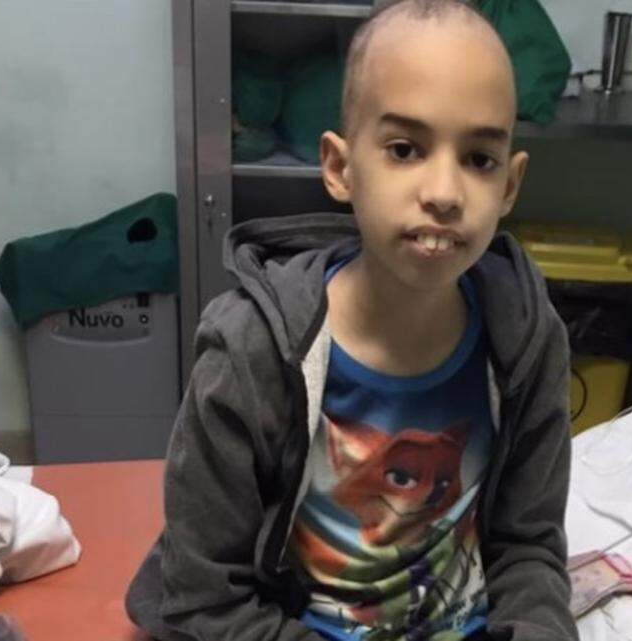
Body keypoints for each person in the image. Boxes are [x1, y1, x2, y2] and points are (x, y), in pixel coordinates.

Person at [125, 1, 577, 640]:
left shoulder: (525, 339)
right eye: (404, 148)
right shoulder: (252, 356)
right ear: (340, 169)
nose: (445, 192)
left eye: (479, 159)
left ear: (509, 185)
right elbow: (205, 600)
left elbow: (528, 544)